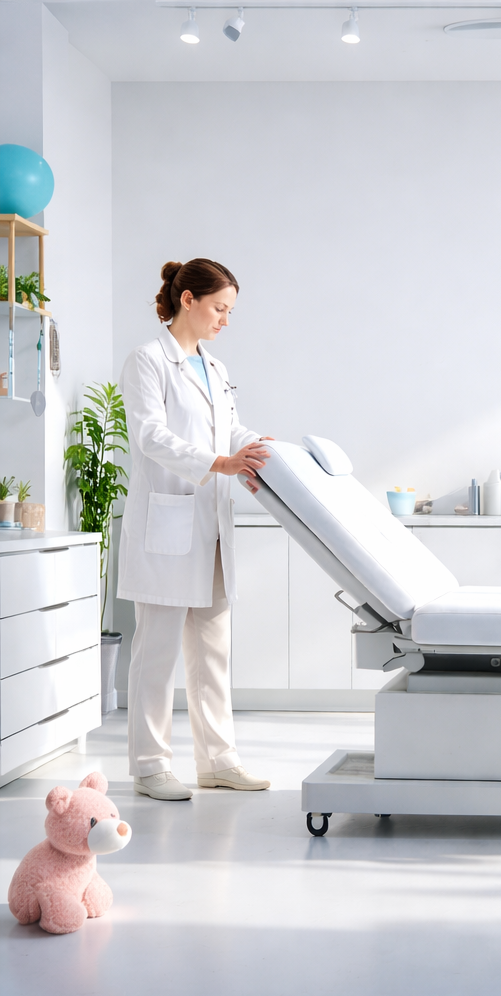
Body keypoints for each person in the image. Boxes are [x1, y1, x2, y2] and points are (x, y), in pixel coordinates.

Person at [117, 258, 272, 800]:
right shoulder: (148, 361)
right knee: (156, 653)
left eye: (229, 311)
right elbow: (151, 437)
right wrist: (218, 463)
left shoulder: (215, 366)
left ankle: (218, 760)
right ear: (189, 301)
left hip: (209, 528)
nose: (225, 320)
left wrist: (259, 449)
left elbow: (229, 427)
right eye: (219, 308)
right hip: (168, 523)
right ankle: (150, 765)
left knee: (212, 652)